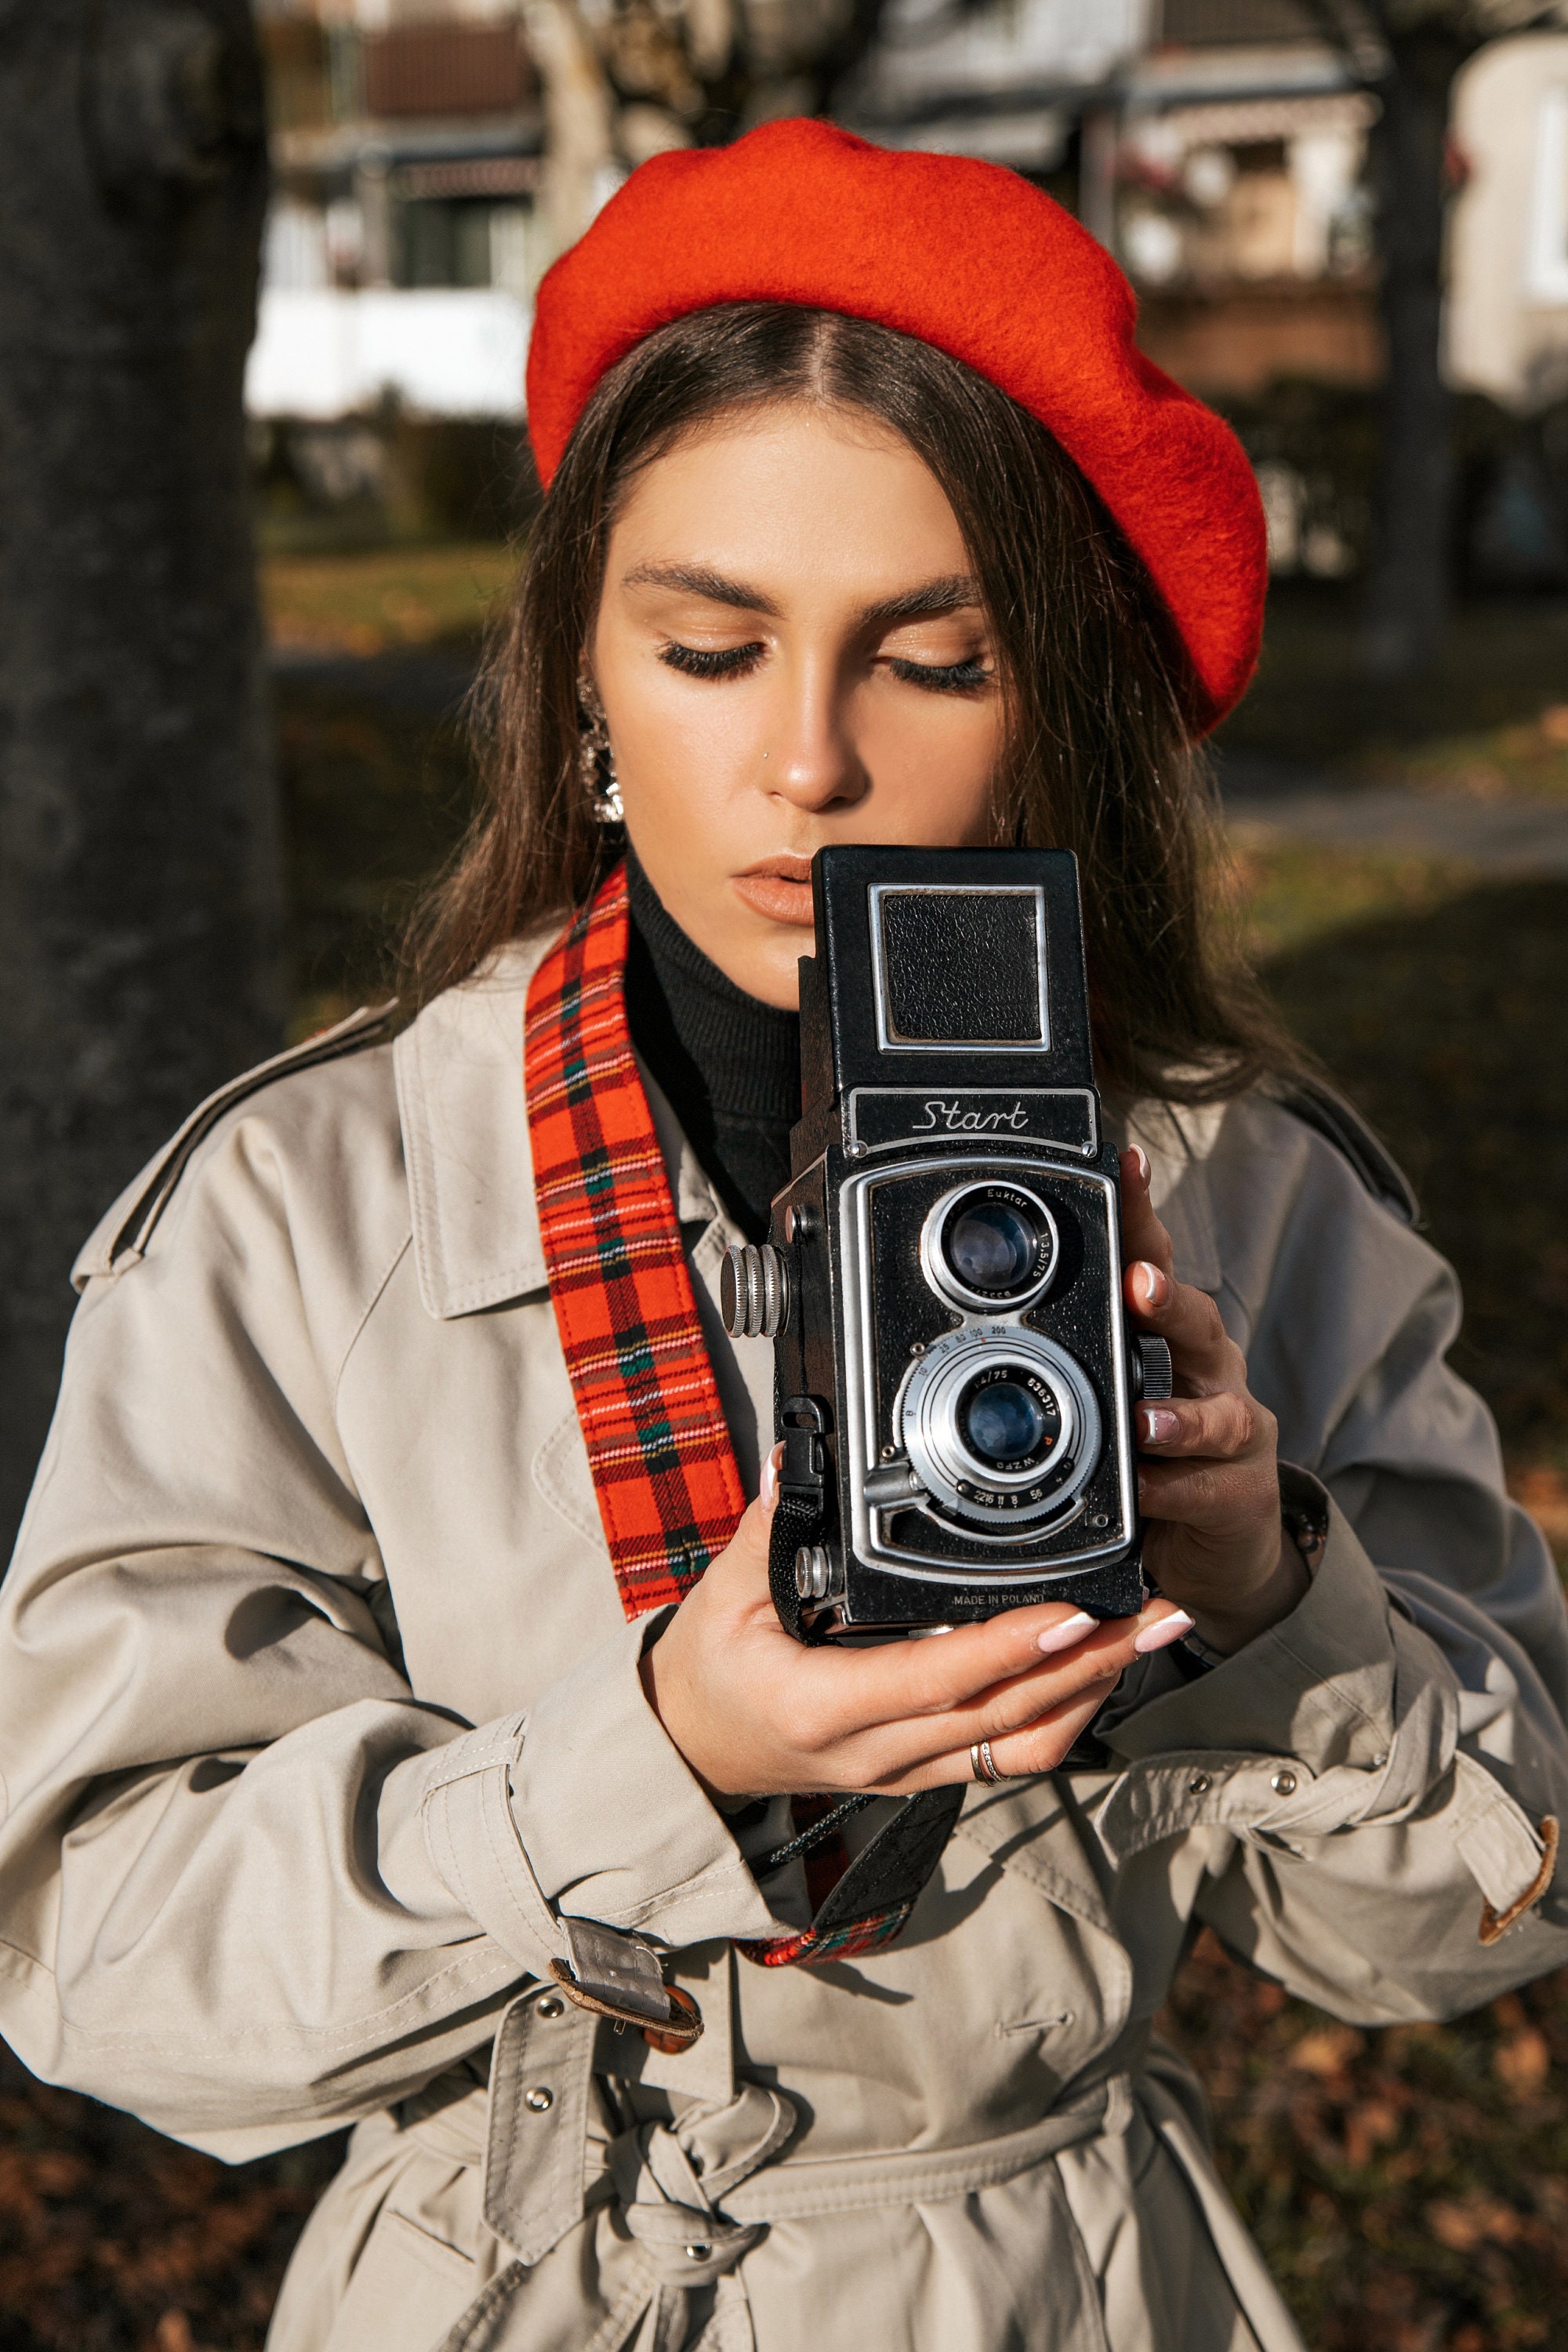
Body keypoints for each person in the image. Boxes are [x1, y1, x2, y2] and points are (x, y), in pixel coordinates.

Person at [0, 119, 1563, 2352]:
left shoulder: (1245, 1198)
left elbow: (1482, 1923)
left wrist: (1271, 1595)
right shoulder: (305, 1209)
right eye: (713, 645)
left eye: (931, 663)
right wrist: (657, 1759)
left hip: (1059, 2286)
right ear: (582, 685)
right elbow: (102, 1962)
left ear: (1053, 719)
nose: (807, 764)